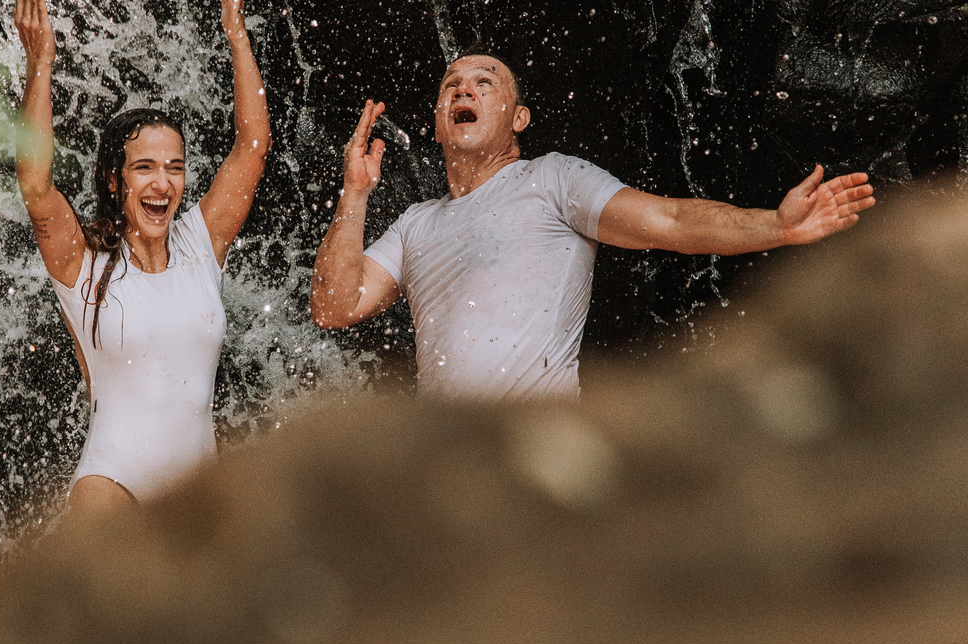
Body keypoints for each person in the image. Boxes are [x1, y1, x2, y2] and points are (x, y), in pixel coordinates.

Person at [310, 53, 875, 397]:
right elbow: (334, 306)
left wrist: (775, 226)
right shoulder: (415, 224)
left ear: (519, 117)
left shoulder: (552, 180)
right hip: (447, 468)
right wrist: (354, 193)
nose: (464, 89)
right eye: (451, 85)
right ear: (437, 123)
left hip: (535, 449)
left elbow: (668, 220)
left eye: (485, 82)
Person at [13, 0, 270, 511]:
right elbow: (34, 183)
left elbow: (252, 147)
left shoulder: (201, 246)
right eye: (145, 167)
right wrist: (42, 66)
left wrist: (237, 36)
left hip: (197, 503)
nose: (163, 183)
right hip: (112, 486)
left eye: (175, 168)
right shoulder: (84, 267)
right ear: (115, 181)